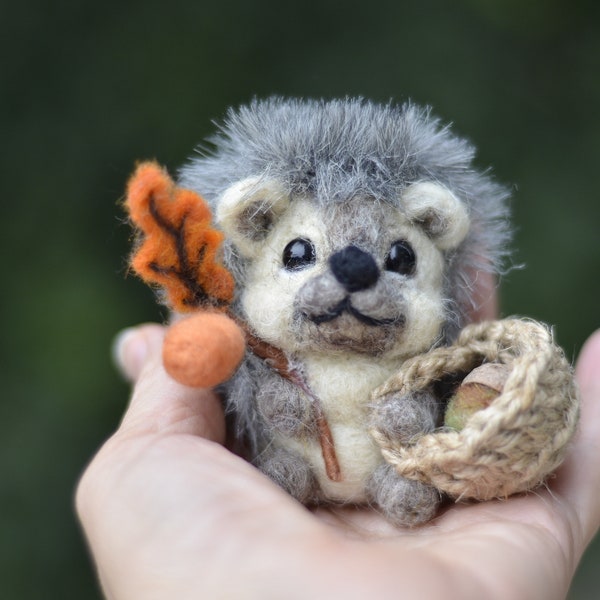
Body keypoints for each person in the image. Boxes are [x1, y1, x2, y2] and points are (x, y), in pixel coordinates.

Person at [76, 301, 600, 598]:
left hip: (393, 466)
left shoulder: (417, 366)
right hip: (298, 470)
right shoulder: (277, 352)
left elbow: (411, 404)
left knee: (404, 452)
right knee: (285, 461)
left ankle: (397, 484)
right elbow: (274, 399)